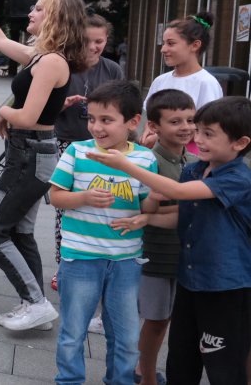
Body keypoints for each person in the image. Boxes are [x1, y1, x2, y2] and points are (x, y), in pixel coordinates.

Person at [88, 96, 251, 385]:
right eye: (199, 131)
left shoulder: (238, 178)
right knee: (181, 357)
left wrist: (126, 165)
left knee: (222, 363)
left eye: (208, 134)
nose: (197, 139)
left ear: (240, 143)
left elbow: (180, 193)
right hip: (190, 279)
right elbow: (183, 213)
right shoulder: (195, 170)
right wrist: (147, 218)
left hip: (226, 286)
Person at [0, 0, 89, 331]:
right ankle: (35, 305)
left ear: (55, 18)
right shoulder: (41, 56)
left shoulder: (52, 62)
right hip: (30, 153)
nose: (31, 12)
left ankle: (36, 303)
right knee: (21, 233)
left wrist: (2, 112)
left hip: (30, 156)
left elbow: (26, 116)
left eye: (39, 8)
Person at [49, 79, 158, 385]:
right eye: (92, 119)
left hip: (126, 261)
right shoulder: (77, 151)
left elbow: (146, 206)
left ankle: (120, 380)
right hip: (81, 257)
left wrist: (156, 199)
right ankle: (69, 380)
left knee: (126, 336)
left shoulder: (144, 159)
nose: (96, 127)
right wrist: (83, 197)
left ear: (132, 122)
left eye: (106, 120)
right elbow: (55, 197)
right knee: (73, 331)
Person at [113, 89, 195, 385]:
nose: (185, 127)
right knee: (156, 319)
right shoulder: (148, 161)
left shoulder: (193, 160)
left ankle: (142, 371)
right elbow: (138, 206)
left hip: (182, 252)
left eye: (190, 120)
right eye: (175, 121)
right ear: (154, 126)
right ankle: (143, 375)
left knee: (166, 318)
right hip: (155, 253)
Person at [51, 13, 124, 289]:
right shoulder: (63, 66)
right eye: (87, 41)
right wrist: (63, 105)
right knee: (67, 206)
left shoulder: (112, 70)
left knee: (103, 204)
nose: (93, 47)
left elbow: (122, 107)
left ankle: (101, 262)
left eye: (99, 41)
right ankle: (63, 264)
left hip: (103, 146)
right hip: (67, 143)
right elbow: (43, 110)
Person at [141, 13, 222, 154]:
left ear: (195, 45)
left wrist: (160, 137)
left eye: (171, 43)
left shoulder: (207, 83)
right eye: (164, 43)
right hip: (156, 153)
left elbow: (208, 127)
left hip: (189, 157)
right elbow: (149, 115)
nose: (163, 49)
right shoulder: (160, 80)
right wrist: (148, 130)